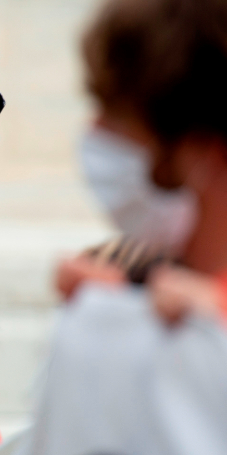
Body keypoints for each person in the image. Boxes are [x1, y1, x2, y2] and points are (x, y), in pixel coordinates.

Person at [58, 0, 227, 323]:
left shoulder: (210, 320)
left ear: (202, 149)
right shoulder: (132, 273)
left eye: (117, 115)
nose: (94, 132)